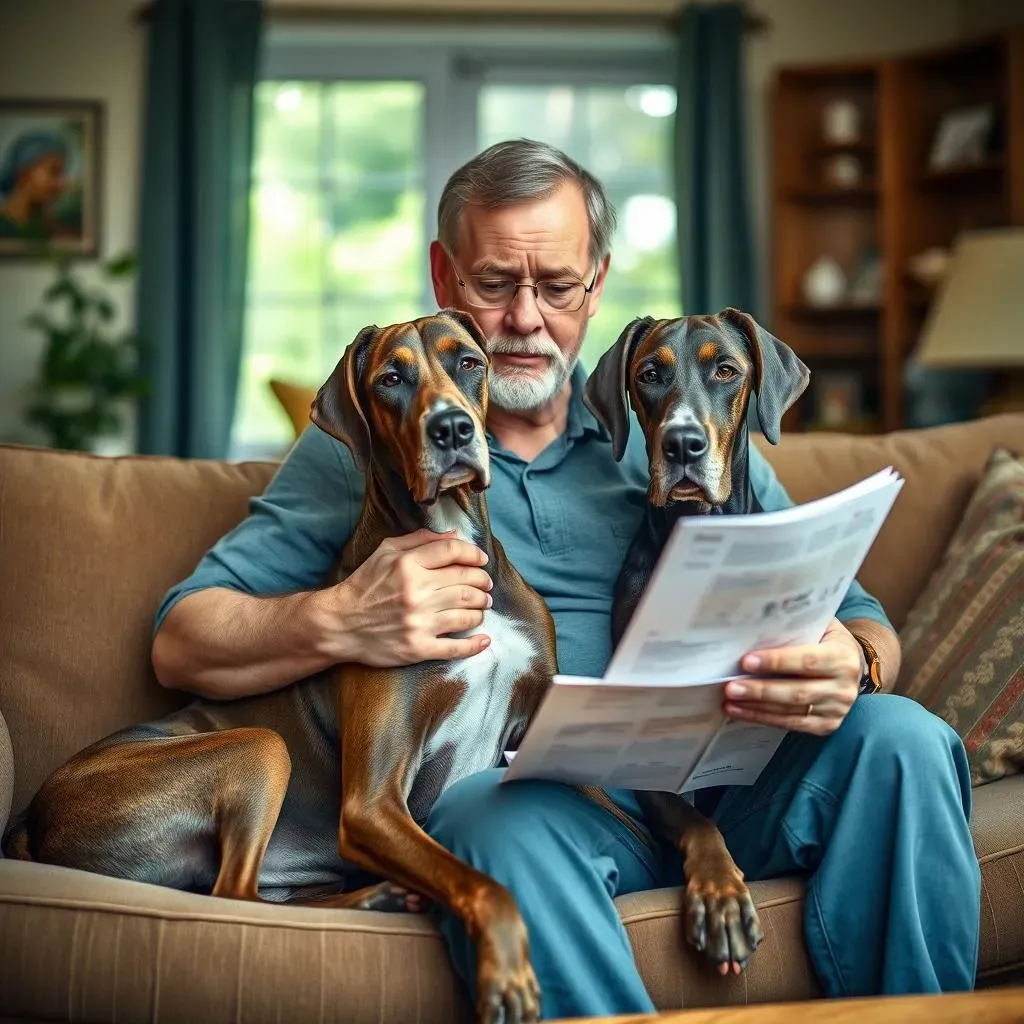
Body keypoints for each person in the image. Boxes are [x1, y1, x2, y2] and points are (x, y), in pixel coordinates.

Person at [151, 139, 981, 1020]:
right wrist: (341, 619)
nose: (525, 319)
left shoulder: (676, 425)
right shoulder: (378, 444)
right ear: (443, 274)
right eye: (493, 283)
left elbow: (861, 618)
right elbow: (181, 637)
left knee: (904, 740)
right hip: (556, 806)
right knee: (487, 815)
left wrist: (853, 661)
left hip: (735, 788)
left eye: (556, 286)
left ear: (597, 281)